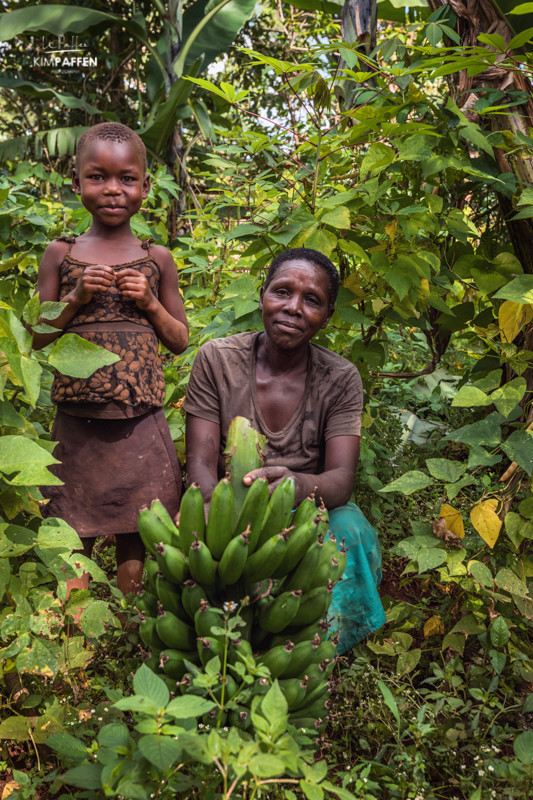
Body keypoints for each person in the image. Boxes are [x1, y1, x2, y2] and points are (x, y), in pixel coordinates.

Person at [183, 247, 385, 653]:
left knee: (351, 532)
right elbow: (201, 464)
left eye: (312, 300)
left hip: (309, 506)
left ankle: (318, 651)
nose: (293, 307)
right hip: (229, 503)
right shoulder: (218, 361)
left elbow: (341, 480)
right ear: (262, 296)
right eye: (282, 292)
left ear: (327, 318)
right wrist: (214, 510)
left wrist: (295, 484)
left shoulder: (341, 379)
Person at [32, 122, 188, 597]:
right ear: (76, 183)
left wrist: (150, 303)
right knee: (70, 526)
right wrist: (75, 298)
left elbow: (180, 339)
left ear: (145, 186)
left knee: (135, 529)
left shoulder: (155, 257)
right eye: (98, 177)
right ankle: (75, 626)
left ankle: (126, 624)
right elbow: (37, 337)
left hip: (139, 421)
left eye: (126, 178)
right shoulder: (61, 253)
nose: (113, 190)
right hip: (77, 424)